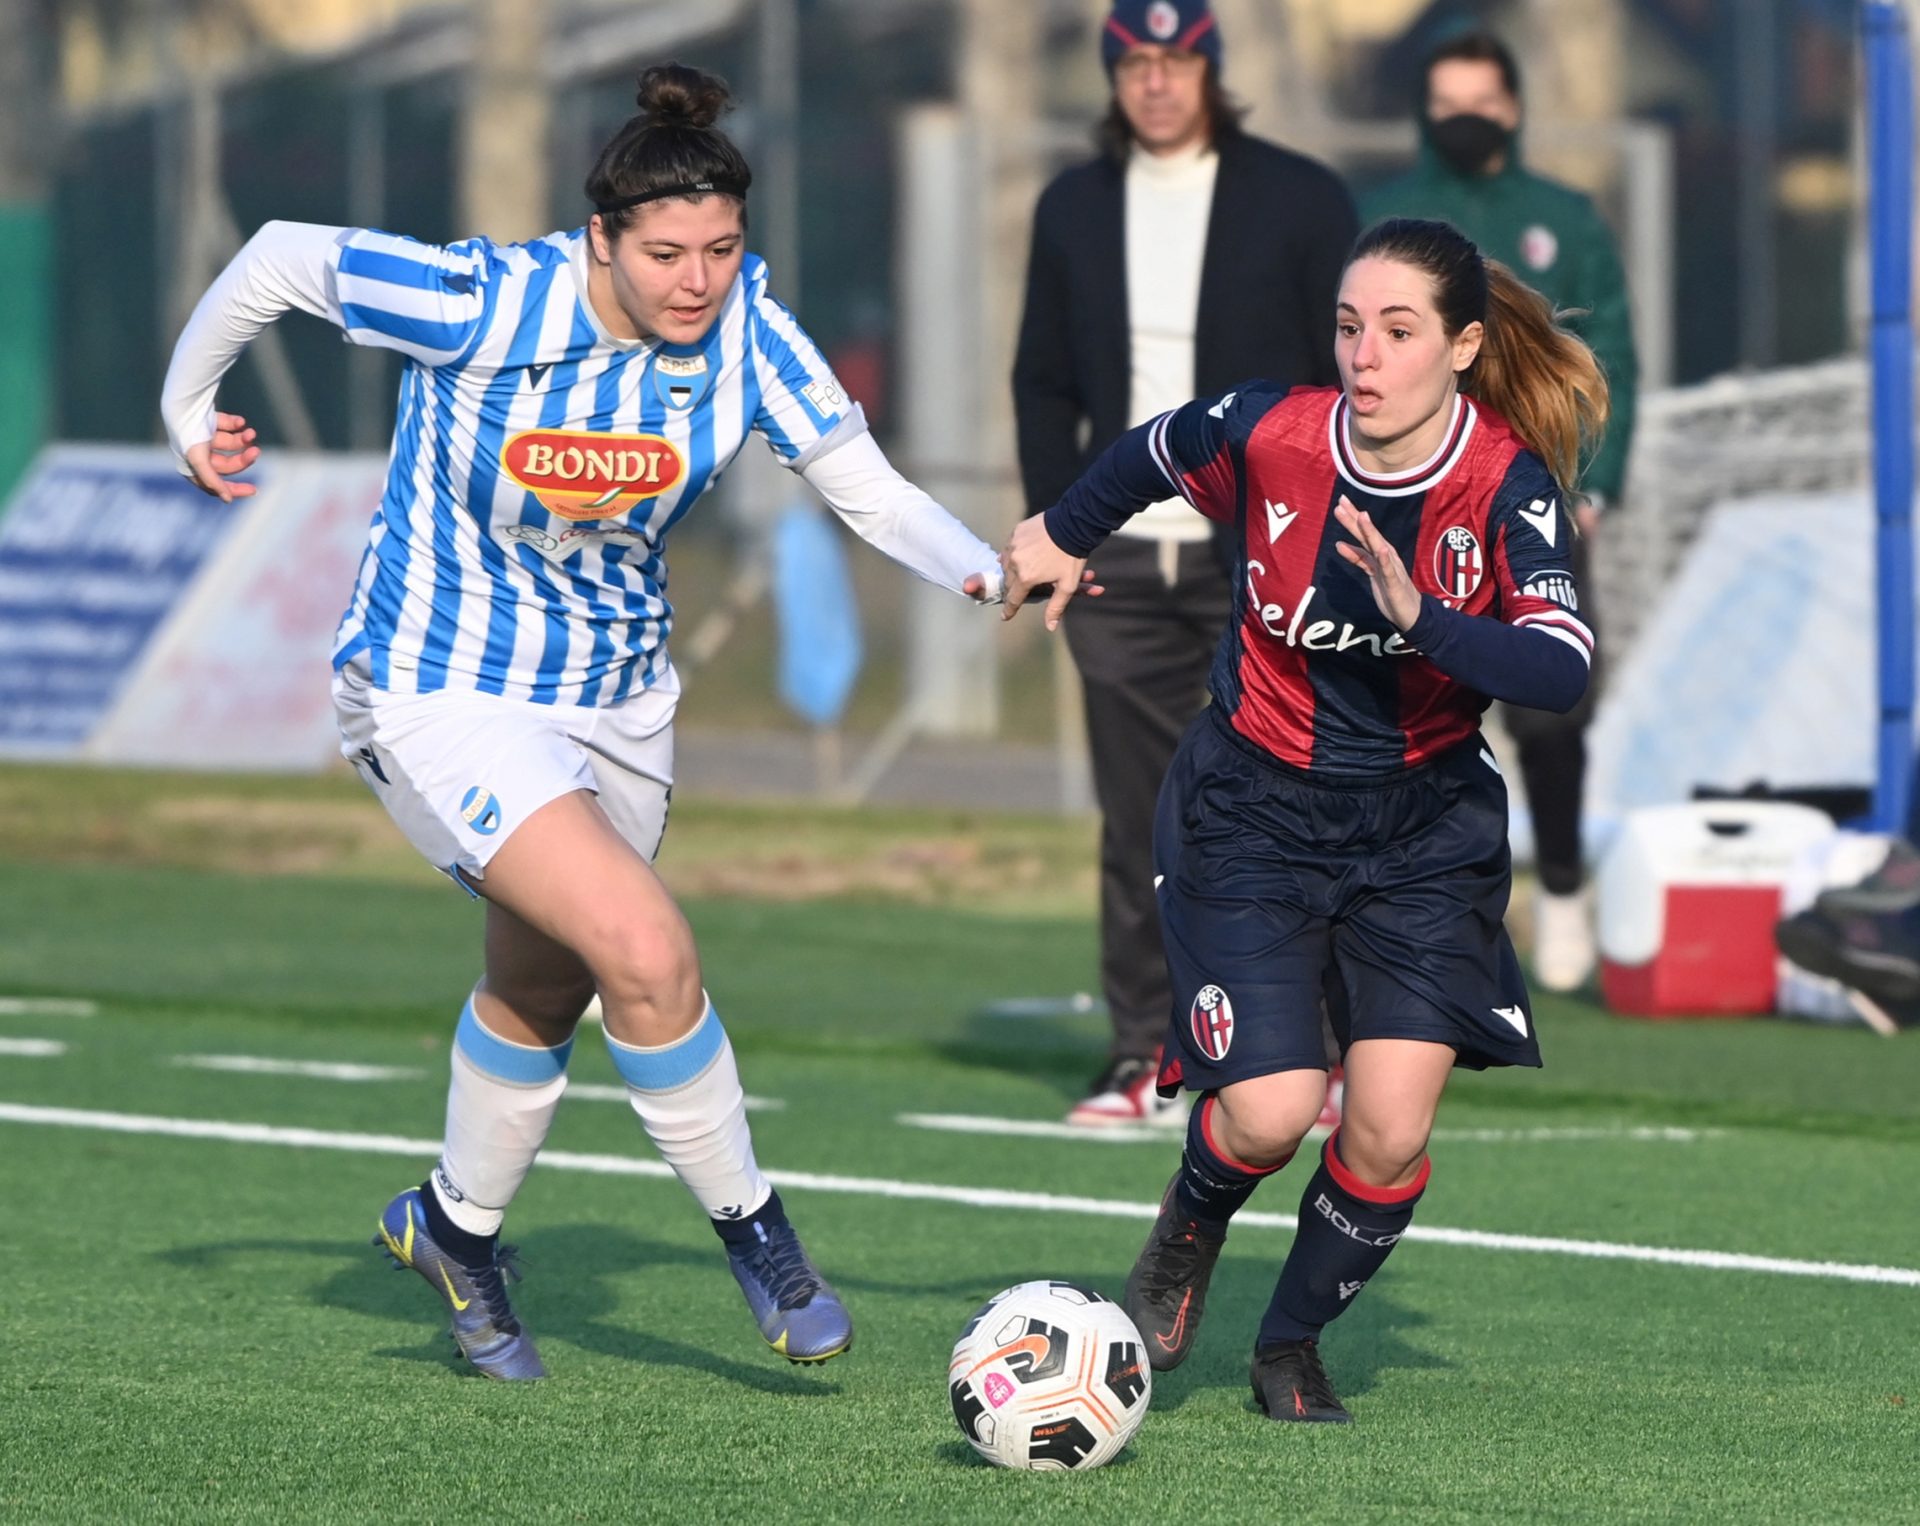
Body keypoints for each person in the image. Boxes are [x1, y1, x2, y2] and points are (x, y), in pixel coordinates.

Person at [159, 64, 1012, 1381]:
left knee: (544, 979)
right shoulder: (486, 301)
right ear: (600, 239)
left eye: (723, 249)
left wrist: (994, 573)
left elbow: (871, 492)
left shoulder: (748, 336)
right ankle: (762, 1240)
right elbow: (275, 257)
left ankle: (453, 1229)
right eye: (666, 252)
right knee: (642, 945)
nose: (698, 280)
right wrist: (185, 406)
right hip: (437, 684)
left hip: (618, 702)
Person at [1001, 217, 1607, 1422]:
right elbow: (1151, 451)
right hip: (1252, 811)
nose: (1363, 356)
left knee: (1384, 1131)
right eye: (1347, 327)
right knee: (1272, 1110)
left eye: (1396, 331)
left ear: (1464, 348)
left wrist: (1423, 615)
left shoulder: (1503, 484)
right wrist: (1061, 533)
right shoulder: (1274, 432)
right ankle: (1190, 1223)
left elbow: (1560, 667)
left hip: (1425, 832)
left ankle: (1287, 1342)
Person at [1013, 0, 1357, 1126]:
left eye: (1177, 62)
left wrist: (1324, 530)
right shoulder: (1072, 205)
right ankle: (1144, 1055)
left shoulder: (1300, 199)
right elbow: (1044, 382)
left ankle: (1306, 1054)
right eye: (1135, 65)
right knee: (1140, 817)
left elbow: (1338, 387)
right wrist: (1054, 527)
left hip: (1259, 558)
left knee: (1278, 805)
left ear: (1211, 67)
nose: (1156, 84)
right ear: (1111, 76)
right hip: (1118, 564)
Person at [1362, 29, 1638, 993]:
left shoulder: (1561, 220)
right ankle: (1394, 905)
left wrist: (1590, 484)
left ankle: (1560, 887)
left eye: (1479, 100)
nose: (1462, 118)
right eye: (1444, 103)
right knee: (1390, 700)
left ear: (1512, 108)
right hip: (1407, 512)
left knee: (1551, 707)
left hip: (1531, 507)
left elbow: (1613, 365)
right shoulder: (1383, 219)